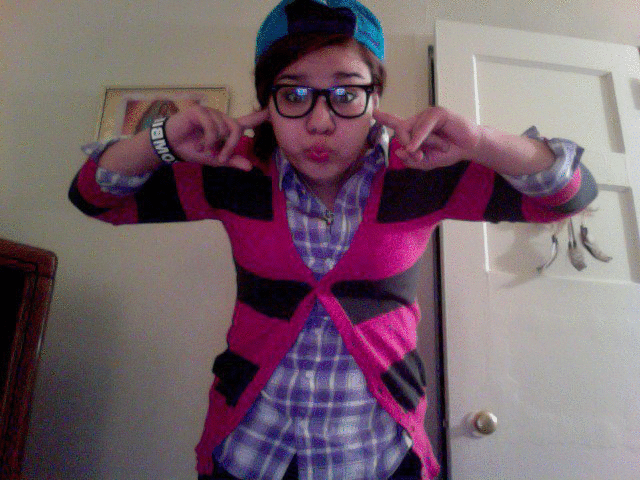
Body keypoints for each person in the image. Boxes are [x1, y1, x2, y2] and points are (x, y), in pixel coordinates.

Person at [68, 0, 598, 478]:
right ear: (266, 103)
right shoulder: (232, 170)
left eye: (347, 94)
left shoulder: (421, 172)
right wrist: (162, 140)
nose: (320, 122)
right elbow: (95, 197)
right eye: (293, 94)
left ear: (375, 98)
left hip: (377, 454)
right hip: (250, 451)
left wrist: (479, 141)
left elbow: (566, 194)